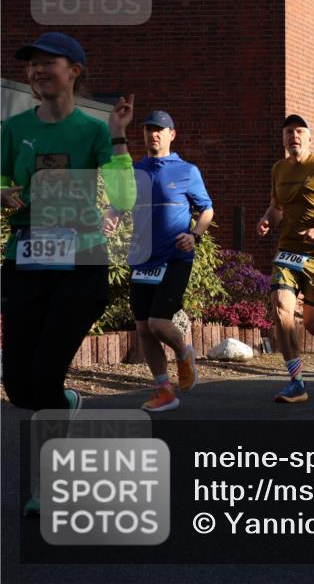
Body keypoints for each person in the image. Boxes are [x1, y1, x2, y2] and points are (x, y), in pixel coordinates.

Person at [1, 33, 136, 515]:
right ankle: (67, 402)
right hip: (26, 261)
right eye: (32, 65)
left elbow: (122, 198)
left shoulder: (95, 131)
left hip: (80, 266)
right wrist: (3, 191)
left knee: (45, 372)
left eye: (47, 63)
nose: (37, 71)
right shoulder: (14, 128)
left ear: (74, 70)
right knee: (20, 387)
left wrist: (119, 133)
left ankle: (46, 484)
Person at [104, 110, 213, 412]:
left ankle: (183, 351)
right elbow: (119, 205)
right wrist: (112, 218)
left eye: (159, 130)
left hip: (176, 257)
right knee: (143, 329)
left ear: (171, 134)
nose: (153, 134)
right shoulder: (136, 170)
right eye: (149, 129)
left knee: (158, 322)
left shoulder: (187, 171)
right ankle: (165, 390)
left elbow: (206, 210)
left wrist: (195, 235)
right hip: (142, 258)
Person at [258, 114, 314, 403]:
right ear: (283, 138)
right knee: (281, 307)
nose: (293, 136)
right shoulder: (278, 169)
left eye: (299, 131)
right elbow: (276, 206)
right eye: (288, 132)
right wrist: (268, 218)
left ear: (309, 137)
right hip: (288, 251)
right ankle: (297, 382)